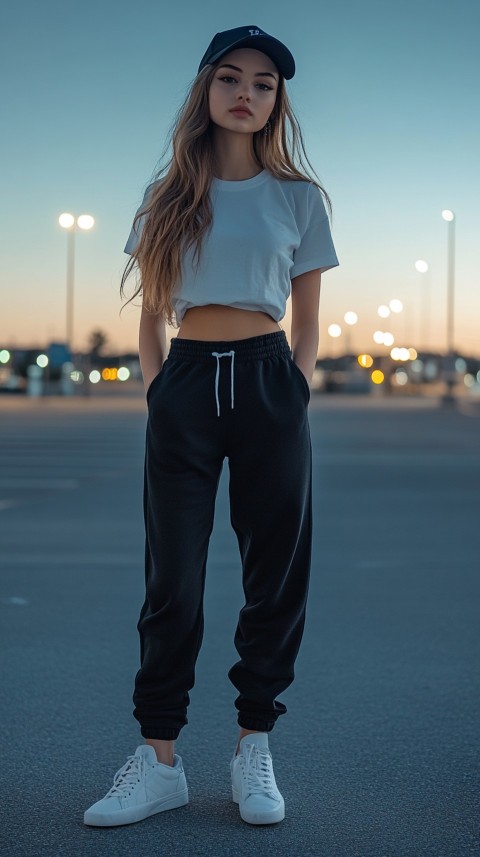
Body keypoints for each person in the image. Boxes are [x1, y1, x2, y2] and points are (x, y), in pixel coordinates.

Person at [84, 24, 338, 829]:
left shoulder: (300, 197)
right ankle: (158, 761)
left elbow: (308, 321)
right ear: (205, 89)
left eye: (264, 84)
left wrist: (293, 386)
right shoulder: (167, 198)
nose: (246, 94)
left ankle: (252, 744)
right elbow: (151, 314)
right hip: (187, 384)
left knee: (275, 573)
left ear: (276, 102)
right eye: (231, 78)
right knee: (175, 581)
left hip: (268, 378)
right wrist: (160, 388)